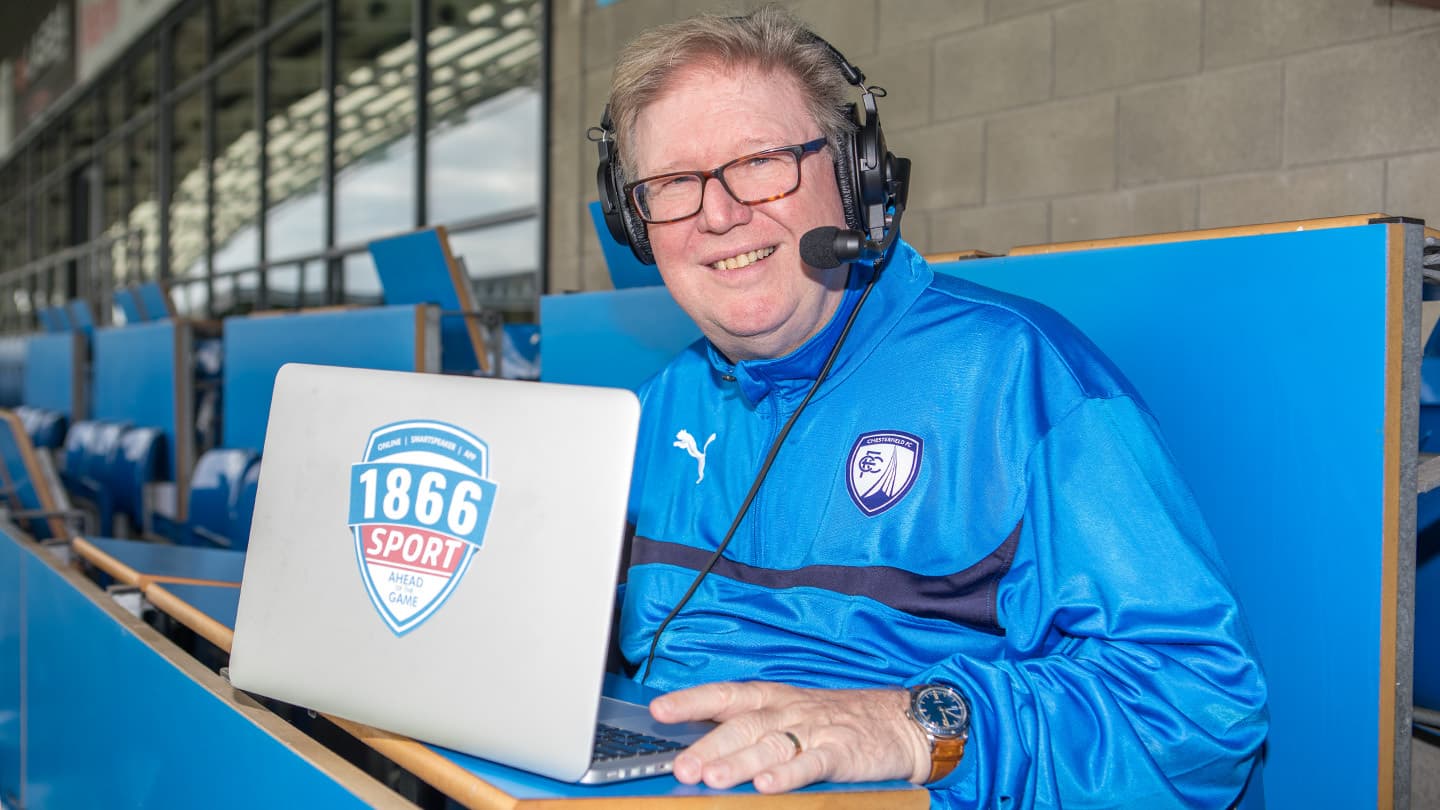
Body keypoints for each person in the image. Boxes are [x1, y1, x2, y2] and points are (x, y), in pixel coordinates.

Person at [595, 6, 1268, 808]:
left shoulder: (1018, 379)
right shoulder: (658, 403)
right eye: (673, 183)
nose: (717, 213)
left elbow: (1199, 709)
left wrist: (915, 727)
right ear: (635, 222)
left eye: (760, 162)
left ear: (855, 179)